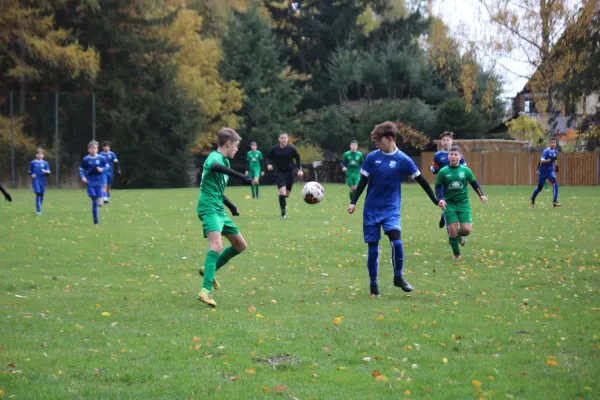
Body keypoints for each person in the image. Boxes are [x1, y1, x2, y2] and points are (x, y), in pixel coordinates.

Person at [348, 122, 445, 297]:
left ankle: (398, 277)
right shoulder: (372, 157)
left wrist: (435, 200)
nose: (377, 144)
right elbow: (363, 182)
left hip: (391, 209)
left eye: (379, 141)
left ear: (390, 138)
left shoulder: (403, 160)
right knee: (373, 248)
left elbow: (422, 180)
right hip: (371, 209)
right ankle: (373, 285)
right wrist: (354, 202)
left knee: (397, 242)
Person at [197, 127, 252, 307]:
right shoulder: (214, 158)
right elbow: (214, 167)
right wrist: (241, 176)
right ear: (228, 143)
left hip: (219, 209)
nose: (236, 149)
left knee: (240, 245)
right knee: (217, 245)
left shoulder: (225, 162)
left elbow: (217, 190)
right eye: (236, 145)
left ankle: (208, 270)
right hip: (209, 208)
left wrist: (231, 206)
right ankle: (205, 291)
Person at [435, 146, 488, 260]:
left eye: (455, 154)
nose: (453, 156)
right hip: (449, 204)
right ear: (448, 157)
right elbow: (438, 187)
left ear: (460, 157)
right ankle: (456, 254)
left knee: (466, 230)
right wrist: (440, 199)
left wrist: (481, 195)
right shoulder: (443, 172)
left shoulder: (466, 171)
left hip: (463, 203)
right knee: (452, 229)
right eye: (451, 154)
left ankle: (458, 236)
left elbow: (474, 184)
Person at [429, 131, 466, 228]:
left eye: (447, 140)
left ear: (451, 141)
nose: (446, 142)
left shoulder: (457, 154)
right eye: (444, 140)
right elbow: (434, 167)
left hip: (456, 184)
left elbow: (465, 168)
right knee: (445, 204)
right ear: (441, 142)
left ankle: (444, 216)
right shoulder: (438, 155)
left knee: (455, 205)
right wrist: (432, 169)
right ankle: (450, 228)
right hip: (442, 185)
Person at [266, 133, 303, 219]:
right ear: (279, 139)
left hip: (290, 173)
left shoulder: (292, 149)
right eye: (281, 138)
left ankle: (281, 196)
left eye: (285, 138)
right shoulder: (274, 149)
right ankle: (283, 213)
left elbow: (298, 159)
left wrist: (300, 169)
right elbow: (268, 158)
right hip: (279, 172)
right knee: (282, 192)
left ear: (287, 139)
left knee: (286, 194)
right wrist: (269, 164)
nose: (283, 140)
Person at [80, 141, 109, 225]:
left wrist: (102, 169)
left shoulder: (101, 158)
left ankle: (103, 196)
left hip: (99, 181)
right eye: (92, 148)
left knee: (98, 199)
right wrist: (83, 177)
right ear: (88, 149)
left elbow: (106, 166)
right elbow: (81, 169)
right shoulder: (86, 159)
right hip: (90, 181)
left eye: (95, 148)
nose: (93, 150)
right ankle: (95, 221)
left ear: (97, 149)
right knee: (93, 199)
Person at [531, 137, 561, 208]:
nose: (553, 144)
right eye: (551, 143)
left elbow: (555, 158)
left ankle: (555, 201)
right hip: (543, 172)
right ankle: (532, 198)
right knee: (539, 188)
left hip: (550, 171)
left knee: (555, 182)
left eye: (554, 143)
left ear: (555, 144)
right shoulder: (546, 151)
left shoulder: (555, 151)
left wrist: (556, 165)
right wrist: (550, 160)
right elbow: (541, 161)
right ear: (549, 143)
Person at [28, 148, 51, 215]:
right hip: (35, 180)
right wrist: (32, 174)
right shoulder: (33, 162)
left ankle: (39, 206)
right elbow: (29, 171)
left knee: (41, 195)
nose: (39, 155)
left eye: (41, 154)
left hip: (42, 181)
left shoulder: (45, 163)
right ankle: (38, 210)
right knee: (38, 194)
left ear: (43, 155)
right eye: (38, 154)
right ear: (36, 155)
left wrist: (45, 171)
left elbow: (48, 173)